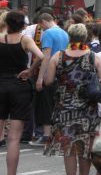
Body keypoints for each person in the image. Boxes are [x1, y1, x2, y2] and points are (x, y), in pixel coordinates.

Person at [43, 23, 101, 175]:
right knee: (84, 147)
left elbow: (48, 81)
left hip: (64, 109)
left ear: (69, 37)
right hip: (88, 110)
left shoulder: (58, 56)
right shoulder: (93, 57)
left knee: (69, 147)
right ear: (85, 38)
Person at [0, 10, 44, 175]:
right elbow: (40, 56)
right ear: (22, 25)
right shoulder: (25, 39)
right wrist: (30, 70)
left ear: (7, 23)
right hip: (19, 86)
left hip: (1, 84)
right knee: (14, 138)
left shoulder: (0, 38)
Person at [33, 13, 68, 147]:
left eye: (40, 25)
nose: (41, 28)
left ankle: (46, 135)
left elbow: (46, 56)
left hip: (50, 72)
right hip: (63, 72)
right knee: (58, 104)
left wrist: (40, 77)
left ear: (43, 21)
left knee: (46, 103)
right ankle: (58, 134)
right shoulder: (64, 33)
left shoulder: (48, 33)